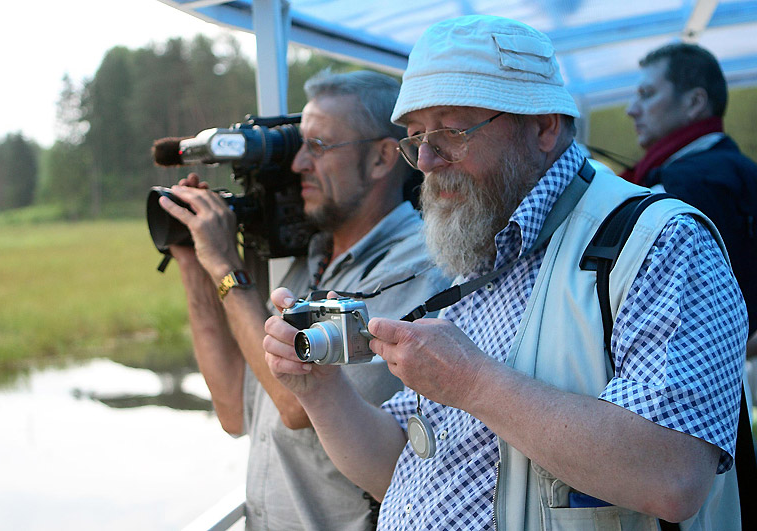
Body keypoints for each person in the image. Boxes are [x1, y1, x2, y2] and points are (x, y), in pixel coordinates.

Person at [264, 15, 748, 530]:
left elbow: (673, 477)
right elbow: (401, 470)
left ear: (543, 125)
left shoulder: (663, 241)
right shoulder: (482, 249)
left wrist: (472, 382)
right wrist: (319, 390)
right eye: (414, 136)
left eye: (451, 129)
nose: (426, 159)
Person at [158, 69, 450, 530]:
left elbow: (296, 407)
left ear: (380, 159)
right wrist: (196, 263)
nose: (297, 166)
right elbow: (235, 410)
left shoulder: (416, 267)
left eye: (318, 146)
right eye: (298, 147)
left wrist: (228, 270)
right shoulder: (311, 259)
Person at [624, 42, 757, 346]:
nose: (631, 110)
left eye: (647, 95)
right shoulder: (737, 169)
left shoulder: (684, 184)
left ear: (695, 102)